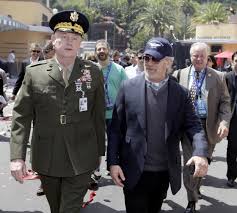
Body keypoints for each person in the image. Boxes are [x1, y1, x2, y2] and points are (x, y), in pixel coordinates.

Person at [10, 10, 105, 213]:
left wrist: (99, 151)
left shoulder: (93, 72)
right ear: (53, 40)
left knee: (68, 209)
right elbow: (21, 116)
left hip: (82, 154)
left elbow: (97, 115)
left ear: (80, 42)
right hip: (47, 155)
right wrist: (17, 157)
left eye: (75, 37)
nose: (69, 42)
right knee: (56, 207)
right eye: (63, 36)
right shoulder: (34, 73)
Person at [107, 37, 209, 213]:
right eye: (146, 58)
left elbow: (195, 126)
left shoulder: (180, 93)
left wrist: (200, 152)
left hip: (163, 172)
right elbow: (116, 129)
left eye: (155, 59)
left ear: (168, 63)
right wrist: (112, 162)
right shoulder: (127, 87)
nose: (149, 63)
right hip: (133, 170)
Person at [173, 42, 231, 213]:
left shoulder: (219, 77)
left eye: (202, 56)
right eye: (195, 56)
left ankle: (196, 185)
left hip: (208, 126)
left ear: (208, 58)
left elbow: (225, 102)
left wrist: (224, 121)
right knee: (190, 164)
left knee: (203, 162)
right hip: (188, 127)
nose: (198, 59)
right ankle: (192, 200)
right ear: (190, 57)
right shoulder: (179, 74)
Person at [89, 39, 127, 187]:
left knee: (115, 143)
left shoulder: (119, 69)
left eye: (103, 49)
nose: (101, 51)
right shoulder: (91, 70)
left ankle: (115, 167)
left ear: (109, 51)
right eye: (98, 49)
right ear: (95, 52)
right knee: (96, 144)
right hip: (96, 115)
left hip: (115, 114)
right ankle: (94, 171)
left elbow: (127, 91)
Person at [225, 51, 237, 188]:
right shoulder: (227, 77)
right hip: (232, 118)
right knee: (232, 148)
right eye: (236, 60)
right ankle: (231, 176)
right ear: (232, 61)